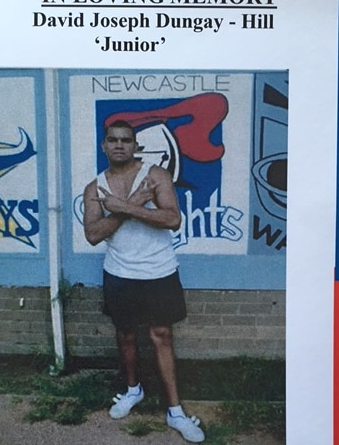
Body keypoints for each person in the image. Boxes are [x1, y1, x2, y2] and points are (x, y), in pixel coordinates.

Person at [83, 120, 205, 443]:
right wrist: (134, 203)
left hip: (158, 270)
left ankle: (175, 411)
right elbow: (93, 235)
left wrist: (123, 206)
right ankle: (133, 390)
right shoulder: (94, 188)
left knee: (161, 335)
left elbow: (173, 219)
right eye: (113, 140)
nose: (120, 145)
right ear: (104, 146)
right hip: (119, 272)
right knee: (125, 335)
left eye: (126, 140)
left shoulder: (155, 176)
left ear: (136, 145)